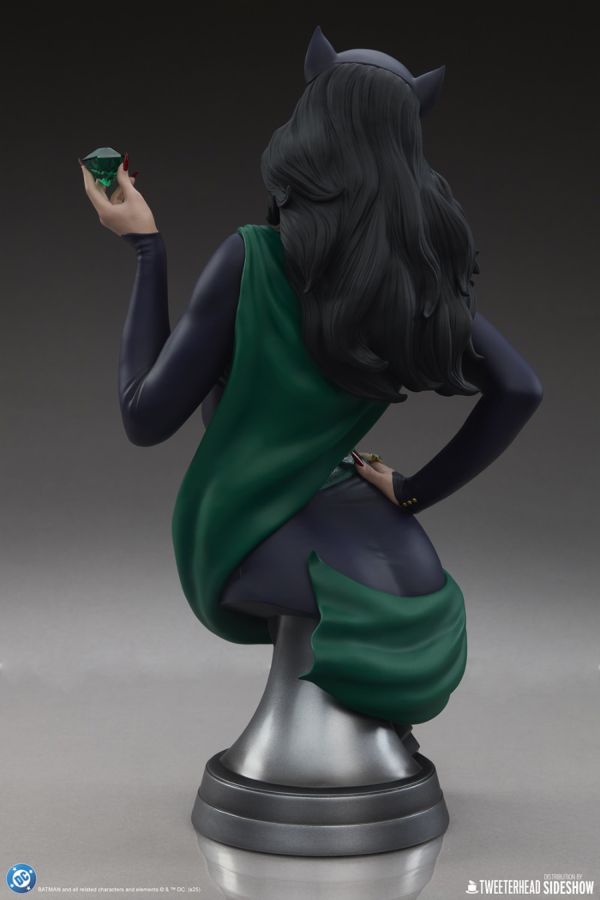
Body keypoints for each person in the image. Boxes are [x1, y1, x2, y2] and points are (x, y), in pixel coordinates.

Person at [79, 29, 543, 728]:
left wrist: (147, 248)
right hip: (420, 613)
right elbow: (521, 388)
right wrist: (412, 493)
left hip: (239, 530)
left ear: (309, 129)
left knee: (299, 584)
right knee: (387, 588)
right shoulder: (420, 278)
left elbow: (144, 417)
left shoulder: (253, 258)